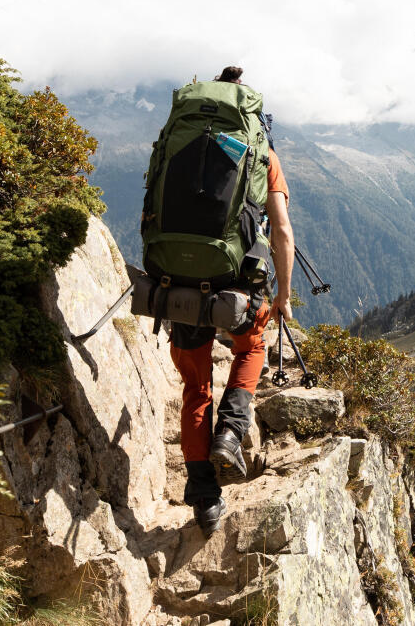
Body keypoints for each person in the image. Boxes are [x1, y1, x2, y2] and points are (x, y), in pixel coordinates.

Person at [167, 65, 294, 534]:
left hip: (177, 276)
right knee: (251, 346)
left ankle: (204, 499)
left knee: (194, 387)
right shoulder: (262, 153)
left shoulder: (180, 138)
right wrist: (282, 294)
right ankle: (232, 431)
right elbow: (280, 230)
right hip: (240, 282)